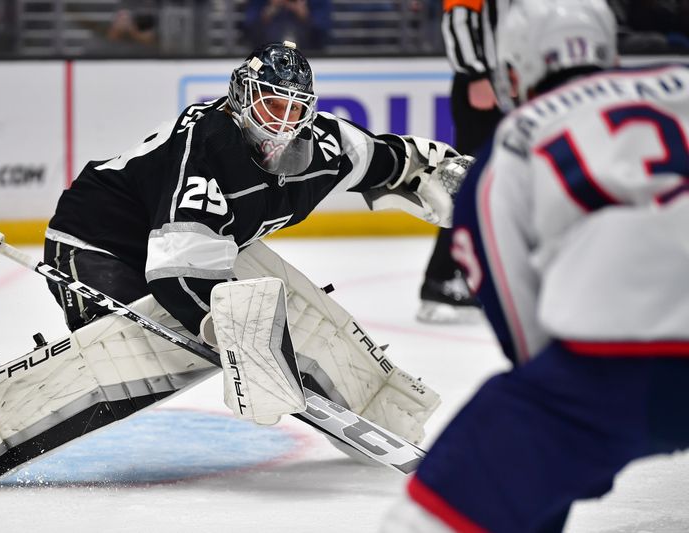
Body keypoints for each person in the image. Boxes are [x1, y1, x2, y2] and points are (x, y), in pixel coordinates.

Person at [0, 41, 463, 485]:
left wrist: (431, 170)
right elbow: (177, 275)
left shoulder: (321, 147)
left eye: (296, 108)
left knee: (281, 310)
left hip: (205, 246)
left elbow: (387, 159)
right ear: (242, 97)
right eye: (272, 104)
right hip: (97, 242)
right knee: (137, 354)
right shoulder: (208, 147)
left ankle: (385, 412)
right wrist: (227, 333)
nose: (283, 121)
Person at [382, 0, 689, 531]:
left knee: (428, 515)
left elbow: (523, 328)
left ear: (514, 68)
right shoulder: (679, 80)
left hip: (620, 370)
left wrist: (568, 433)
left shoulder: (511, 149)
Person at [415, 0, 509, 324]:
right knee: (470, 184)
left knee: (496, 186)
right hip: (484, 86)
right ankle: (439, 278)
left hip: (505, 87)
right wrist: (476, 74)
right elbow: (458, 18)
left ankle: (458, 274)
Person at [243, 0, 332, 52]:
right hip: (268, 56)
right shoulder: (259, 3)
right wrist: (269, 11)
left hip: (309, 55)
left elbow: (323, 30)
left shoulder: (316, 3)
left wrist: (304, 14)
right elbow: (249, 28)